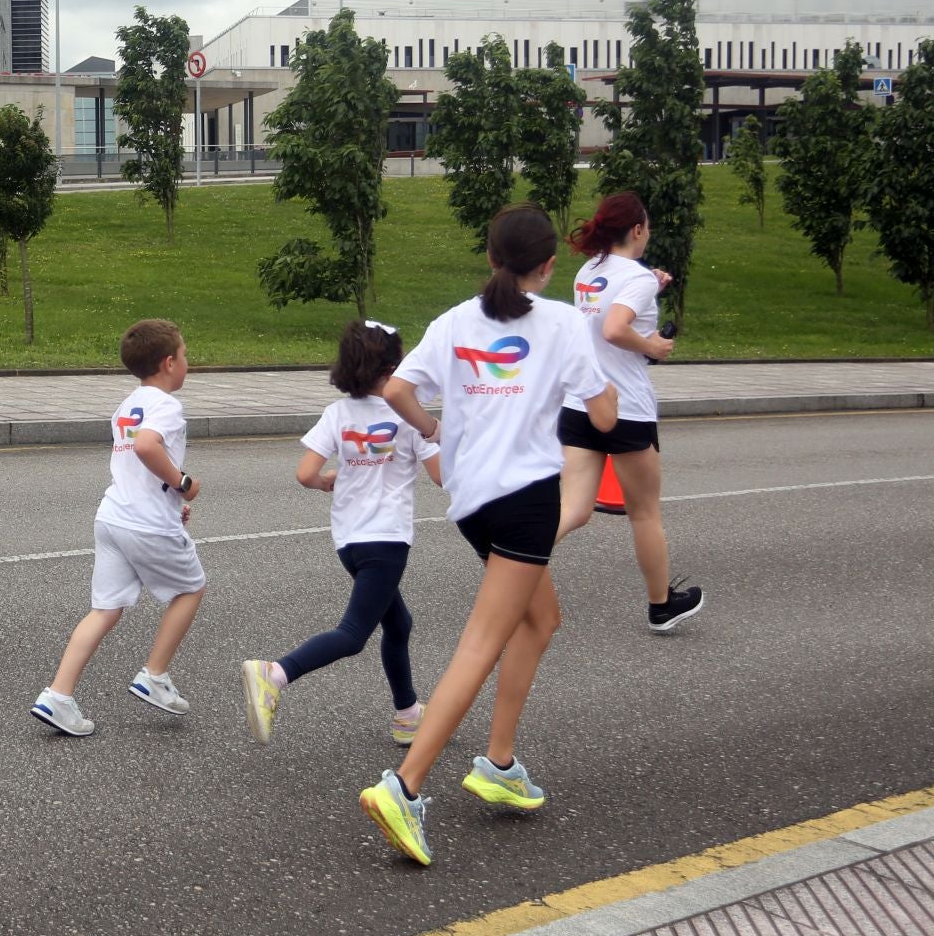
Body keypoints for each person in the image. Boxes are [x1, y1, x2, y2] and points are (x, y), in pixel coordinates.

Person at [358, 204, 617, 866]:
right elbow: (607, 418)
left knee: (542, 618)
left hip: (472, 500)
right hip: (527, 501)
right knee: (481, 644)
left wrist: (437, 428)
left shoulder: (454, 321)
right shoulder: (563, 323)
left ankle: (499, 763)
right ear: (549, 265)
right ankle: (405, 786)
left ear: (490, 255)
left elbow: (395, 391)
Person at [241, 319, 442, 747]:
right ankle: (275, 673)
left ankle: (408, 714)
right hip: (387, 540)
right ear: (393, 368)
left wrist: (329, 479)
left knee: (399, 623)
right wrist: (446, 436)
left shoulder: (337, 413)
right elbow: (442, 477)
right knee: (352, 635)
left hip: (349, 540)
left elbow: (305, 473)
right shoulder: (410, 415)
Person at [31, 319, 204, 736]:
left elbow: (135, 460)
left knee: (105, 608)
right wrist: (181, 483)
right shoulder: (166, 405)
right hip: (146, 523)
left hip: (113, 517)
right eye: (184, 356)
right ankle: (155, 675)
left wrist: (170, 499)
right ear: (168, 363)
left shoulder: (127, 404)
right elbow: (147, 447)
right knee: (190, 589)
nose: (187, 363)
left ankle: (58, 695)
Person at [556, 191, 704, 633]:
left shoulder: (590, 270)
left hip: (579, 402)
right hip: (626, 408)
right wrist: (653, 345)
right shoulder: (635, 278)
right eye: (648, 227)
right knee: (643, 512)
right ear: (637, 230)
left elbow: (602, 317)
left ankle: (512, 559)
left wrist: (647, 286)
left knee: (574, 508)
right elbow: (614, 327)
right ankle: (662, 606)